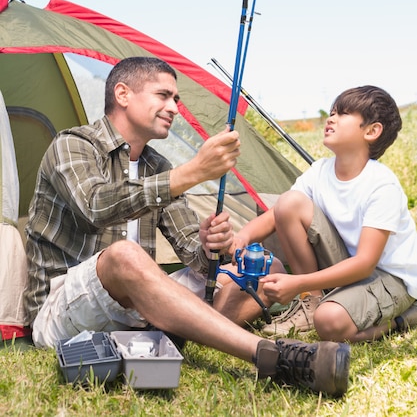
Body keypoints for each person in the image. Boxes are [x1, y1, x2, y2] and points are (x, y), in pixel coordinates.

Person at [23, 56, 350, 397]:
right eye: (163, 96)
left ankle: (163, 332)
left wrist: (211, 246)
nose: (174, 108)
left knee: (264, 269)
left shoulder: (156, 164)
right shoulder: (72, 145)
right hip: (60, 312)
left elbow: (192, 252)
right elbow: (95, 206)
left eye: (176, 99)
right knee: (124, 256)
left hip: (134, 310)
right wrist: (190, 173)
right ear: (122, 94)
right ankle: (270, 356)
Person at [232, 85, 417, 343]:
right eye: (332, 112)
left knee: (328, 322)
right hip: (346, 265)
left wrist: (297, 283)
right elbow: (277, 215)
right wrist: (242, 236)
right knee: (289, 203)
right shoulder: (320, 171)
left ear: (372, 131)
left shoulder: (381, 184)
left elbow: (365, 263)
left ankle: (402, 319)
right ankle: (311, 301)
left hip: (389, 278)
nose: (331, 118)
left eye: (343, 114)